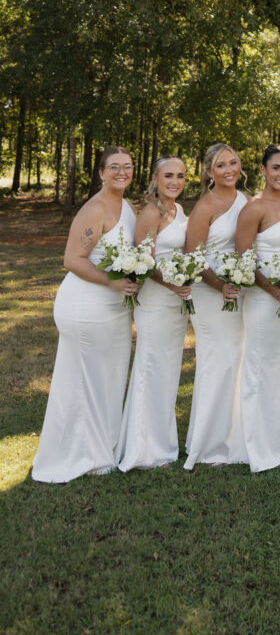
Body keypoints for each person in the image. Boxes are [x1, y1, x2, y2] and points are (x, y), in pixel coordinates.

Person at [32, 146, 137, 483]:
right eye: (115, 167)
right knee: (86, 380)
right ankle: (79, 454)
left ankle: (103, 446)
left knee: (107, 378)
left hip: (114, 308)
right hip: (87, 305)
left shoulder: (127, 205)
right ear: (101, 172)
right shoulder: (94, 209)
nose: (122, 172)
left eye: (128, 167)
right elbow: (73, 260)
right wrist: (113, 281)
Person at [234, 145, 280, 471]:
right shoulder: (253, 209)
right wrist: (271, 289)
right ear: (263, 170)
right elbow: (243, 262)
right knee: (262, 370)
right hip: (265, 301)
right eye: (276, 168)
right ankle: (262, 449)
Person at [118, 155, 192, 471]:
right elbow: (144, 262)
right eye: (169, 176)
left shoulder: (178, 210)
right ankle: (143, 450)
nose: (175, 181)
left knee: (167, 370)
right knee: (151, 367)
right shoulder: (150, 212)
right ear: (155, 178)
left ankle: (162, 444)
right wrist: (175, 285)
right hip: (157, 300)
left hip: (176, 303)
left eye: (181, 176)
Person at [184, 143, 249, 469]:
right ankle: (209, 446)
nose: (229, 170)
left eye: (233, 163)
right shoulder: (205, 206)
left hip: (237, 293)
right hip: (209, 293)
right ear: (209, 172)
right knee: (217, 362)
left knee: (236, 361)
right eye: (221, 165)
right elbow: (192, 259)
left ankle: (233, 436)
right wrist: (220, 284)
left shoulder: (246, 201)